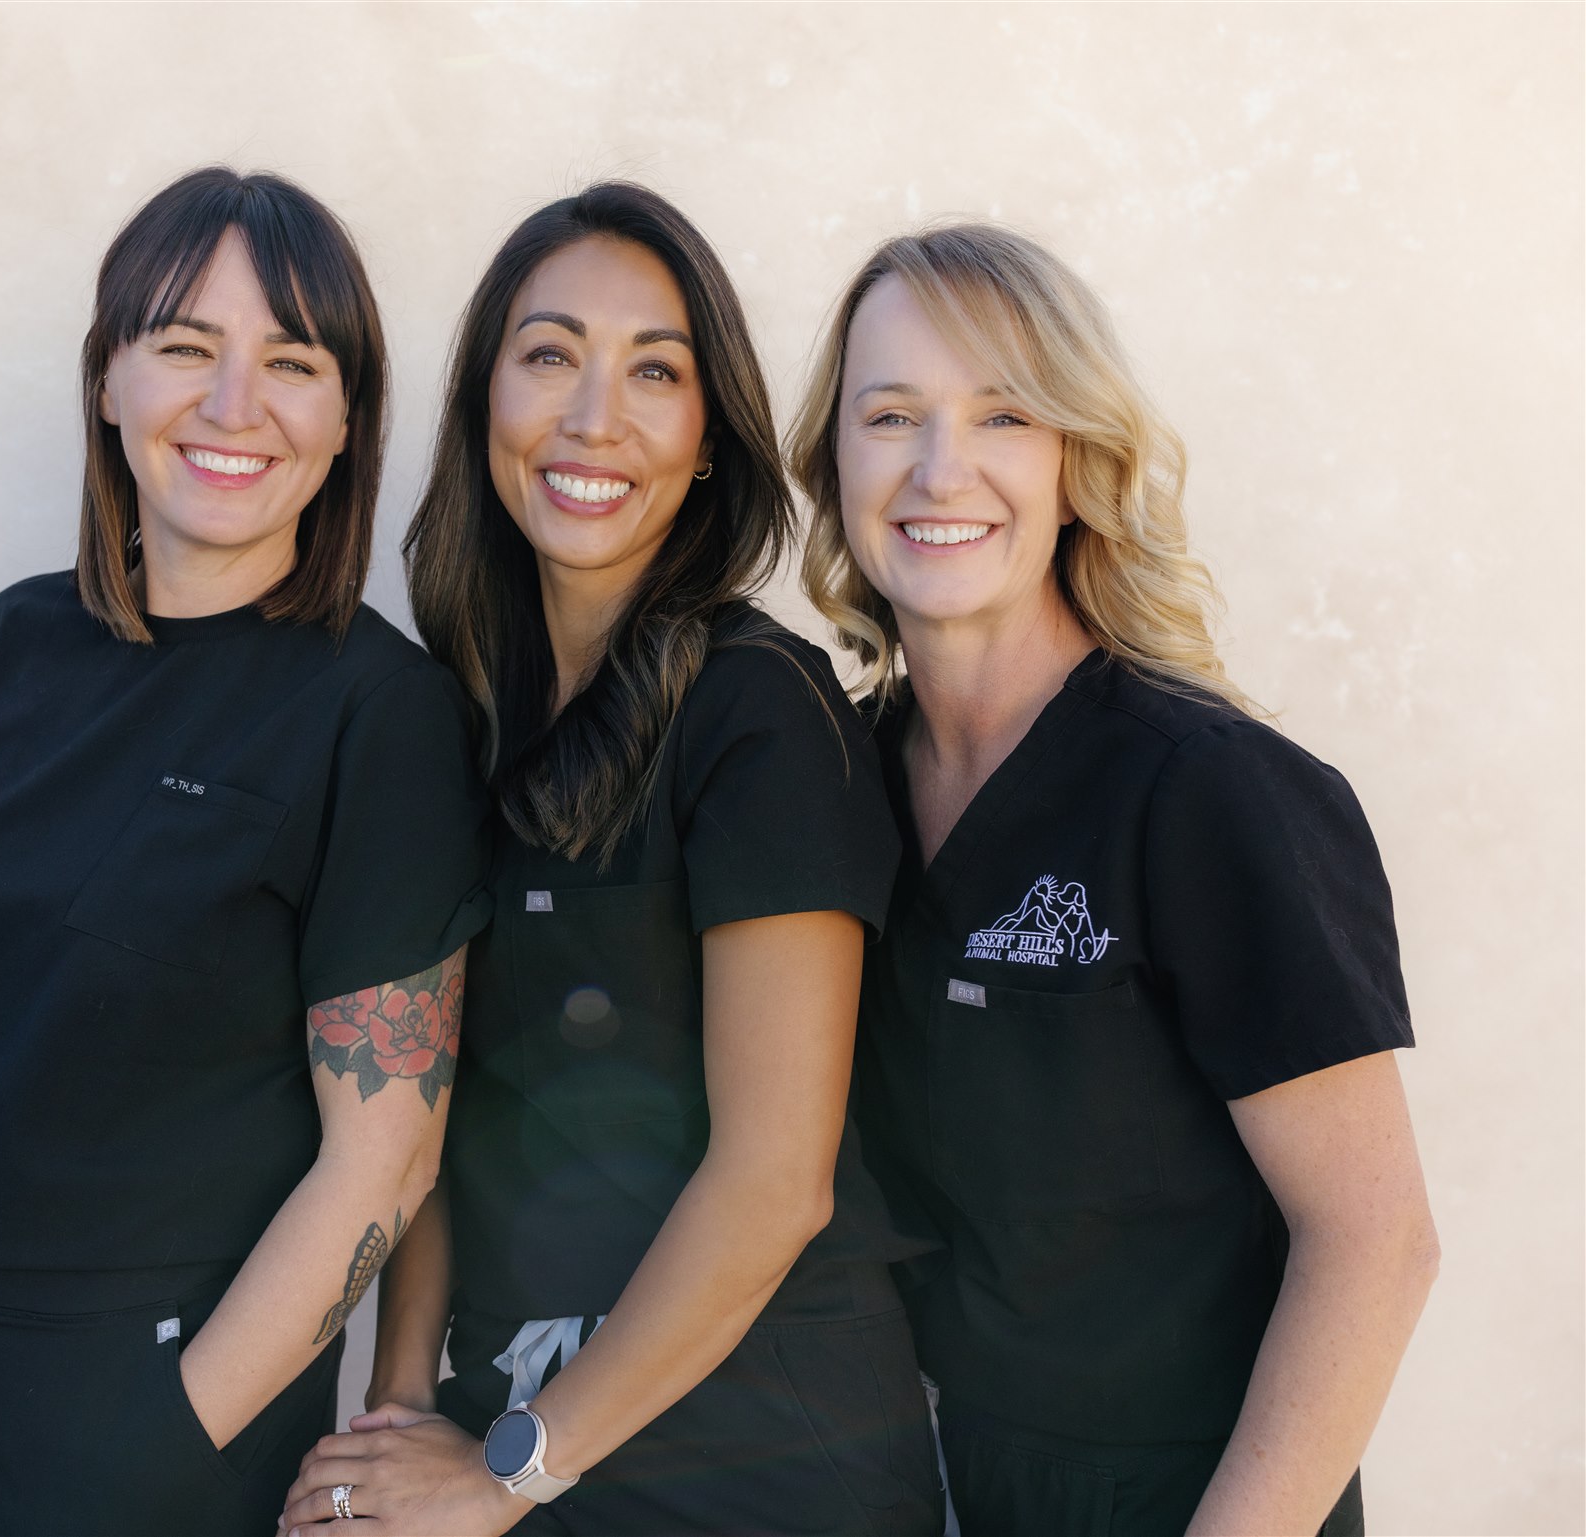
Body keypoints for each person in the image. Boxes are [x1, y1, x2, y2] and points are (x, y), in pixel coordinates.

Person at [0, 166, 491, 1535]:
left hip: (133, 1422)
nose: (233, 403)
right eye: (184, 346)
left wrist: (163, 1440)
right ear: (108, 380)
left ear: (347, 419)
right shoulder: (10, 640)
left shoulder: (377, 713)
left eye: (292, 362)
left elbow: (387, 1160)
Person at [282, 183, 945, 1537]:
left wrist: (501, 1474)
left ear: (708, 441)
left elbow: (774, 1181)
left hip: (756, 1461)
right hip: (513, 1432)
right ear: (484, 401)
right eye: (550, 355)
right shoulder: (450, 717)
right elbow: (432, 1120)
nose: (596, 419)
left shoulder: (760, 710)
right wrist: (397, 1411)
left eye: (655, 371)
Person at [789, 222, 1439, 1536]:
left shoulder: (1210, 792)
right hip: (933, 1487)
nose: (940, 468)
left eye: (1004, 415)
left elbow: (1376, 1244)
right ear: (834, 461)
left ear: (1079, 462)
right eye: (891, 414)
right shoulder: (826, 787)